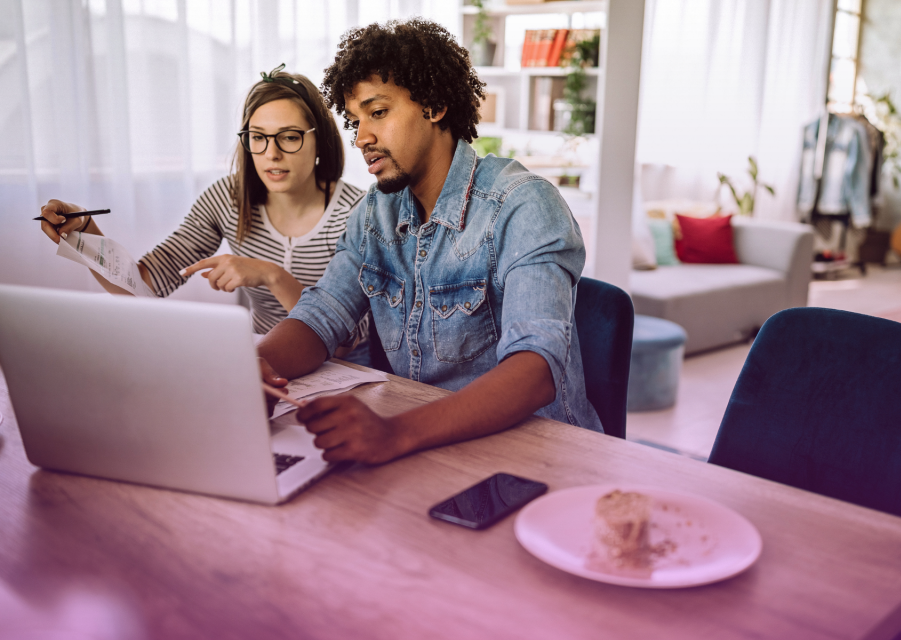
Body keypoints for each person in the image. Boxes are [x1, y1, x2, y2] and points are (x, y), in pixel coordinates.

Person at [258, 18, 602, 466]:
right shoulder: (375, 213)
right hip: (431, 446)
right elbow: (322, 314)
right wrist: (254, 367)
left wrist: (394, 434)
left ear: (435, 105)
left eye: (378, 112)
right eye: (356, 120)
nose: (361, 138)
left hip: (540, 458)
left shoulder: (522, 205)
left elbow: (535, 369)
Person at [38, 66, 369, 351]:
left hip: (347, 373)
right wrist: (84, 233)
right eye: (258, 137)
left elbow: (347, 341)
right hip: (264, 365)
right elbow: (141, 286)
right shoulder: (227, 198)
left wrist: (272, 276)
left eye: (289, 136)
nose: (271, 153)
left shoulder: (358, 212)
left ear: (319, 139)